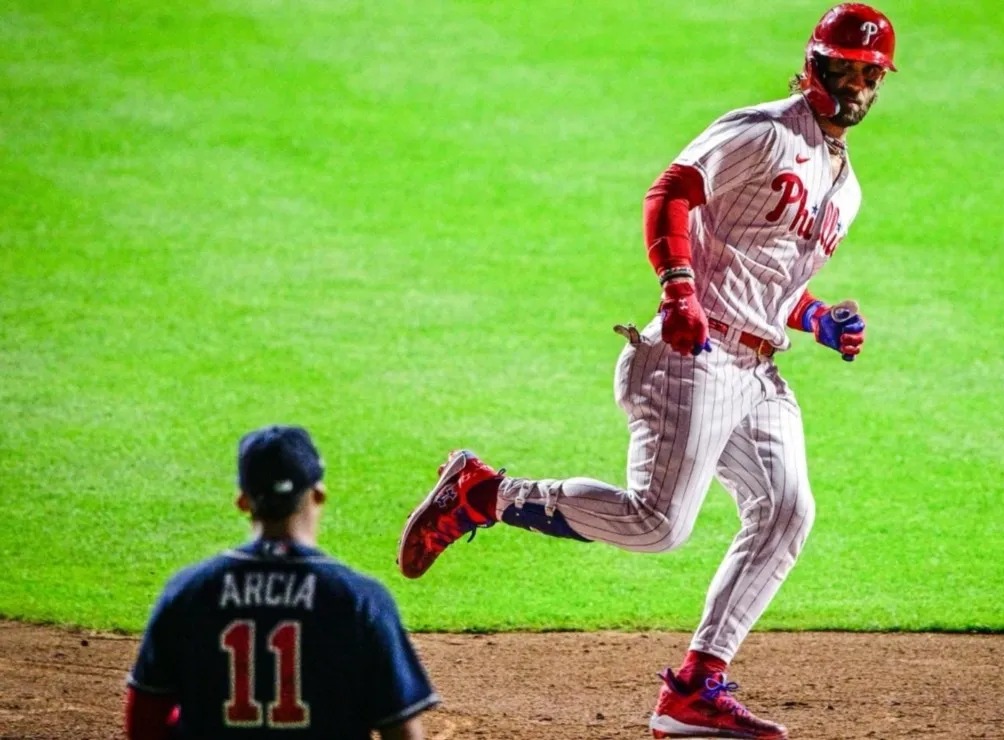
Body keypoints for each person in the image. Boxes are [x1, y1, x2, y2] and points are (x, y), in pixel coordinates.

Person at [397, 4, 896, 738]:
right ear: (815, 64)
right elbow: (672, 191)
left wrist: (819, 319)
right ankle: (484, 494)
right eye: (844, 66)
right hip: (690, 354)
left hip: (754, 369)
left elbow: (768, 281)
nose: (855, 83)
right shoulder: (763, 130)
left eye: (868, 73)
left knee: (787, 511)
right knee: (659, 524)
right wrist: (677, 286)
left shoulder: (844, 187)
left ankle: (697, 686)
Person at [126, 425, 438, 740]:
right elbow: (401, 733)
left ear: (243, 501)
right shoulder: (360, 600)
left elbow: (143, 723)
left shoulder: (188, 592)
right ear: (318, 494)